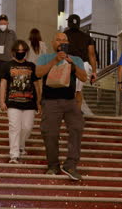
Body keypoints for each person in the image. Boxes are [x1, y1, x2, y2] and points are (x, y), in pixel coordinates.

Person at [36, 32, 87, 181]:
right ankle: (53, 165)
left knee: (77, 127)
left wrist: (72, 64)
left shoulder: (75, 59)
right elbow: (38, 73)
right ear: (53, 43)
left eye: (64, 40)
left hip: (70, 101)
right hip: (50, 102)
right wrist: (54, 61)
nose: (61, 42)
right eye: (58, 39)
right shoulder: (45, 57)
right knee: (50, 133)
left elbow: (84, 77)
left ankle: (70, 164)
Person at [0, 40, 41, 164]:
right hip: (12, 102)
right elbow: (3, 84)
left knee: (27, 127)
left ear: (26, 52)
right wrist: (2, 100)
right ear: (13, 52)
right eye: (18, 51)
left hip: (29, 103)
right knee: (14, 128)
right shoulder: (7, 66)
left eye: (23, 51)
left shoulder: (32, 66)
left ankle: (21, 145)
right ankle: (14, 154)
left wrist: (39, 101)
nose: (20, 53)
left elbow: (37, 85)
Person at [64, 14, 97, 109]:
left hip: (68, 64)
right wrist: (94, 72)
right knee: (78, 91)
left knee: (67, 90)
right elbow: (92, 54)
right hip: (83, 66)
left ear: (68, 23)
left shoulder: (64, 35)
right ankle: (77, 112)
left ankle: (68, 112)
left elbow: (60, 51)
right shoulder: (87, 37)